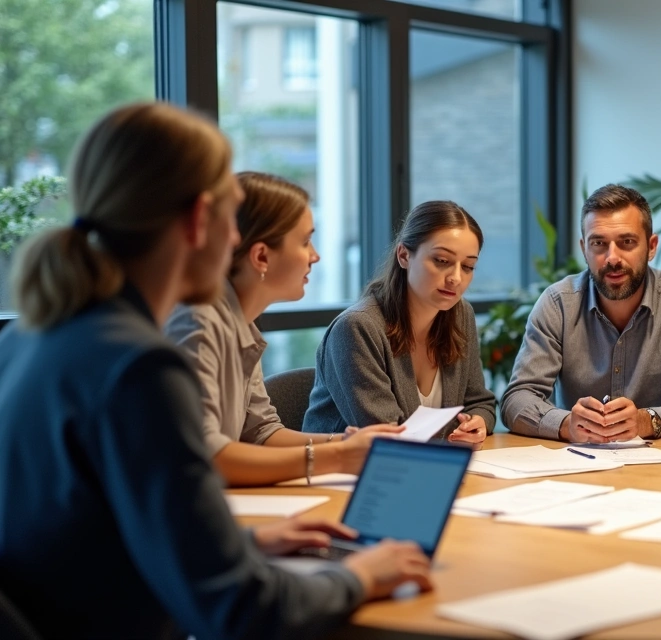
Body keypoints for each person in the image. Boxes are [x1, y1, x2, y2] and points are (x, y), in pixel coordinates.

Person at [0, 102, 430, 638]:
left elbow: (95, 539)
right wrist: (358, 576)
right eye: (232, 215)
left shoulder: (29, 336)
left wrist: (247, 544)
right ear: (200, 221)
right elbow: (239, 608)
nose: (235, 242)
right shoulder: (139, 369)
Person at [165, 172, 402, 487]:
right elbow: (203, 454)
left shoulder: (240, 321)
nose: (315, 256)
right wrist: (340, 458)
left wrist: (343, 444)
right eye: (305, 241)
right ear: (261, 256)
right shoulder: (197, 321)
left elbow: (261, 433)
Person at [501, 184, 661, 443]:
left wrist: (647, 420)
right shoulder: (557, 303)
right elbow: (516, 399)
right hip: (581, 465)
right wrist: (566, 424)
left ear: (651, 246)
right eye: (598, 243)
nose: (612, 257)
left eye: (627, 242)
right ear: (584, 249)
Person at [302, 200, 493, 445]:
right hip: (345, 475)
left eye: (468, 266)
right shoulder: (357, 328)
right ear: (404, 255)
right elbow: (386, 434)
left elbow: (480, 402)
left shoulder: (460, 314)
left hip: (427, 467)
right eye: (442, 261)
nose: (456, 278)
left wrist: (477, 422)